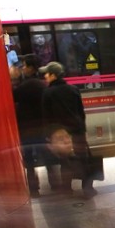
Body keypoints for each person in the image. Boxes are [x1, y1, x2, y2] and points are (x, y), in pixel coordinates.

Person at [40, 61, 97, 198]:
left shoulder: (48, 93)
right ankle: (87, 188)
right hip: (77, 130)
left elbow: (46, 116)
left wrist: (49, 135)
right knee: (83, 158)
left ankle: (67, 188)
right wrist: (83, 129)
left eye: (47, 74)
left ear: (53, 75)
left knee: (65, 161)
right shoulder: (73, 89)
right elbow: (80, 112)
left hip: (60, 133)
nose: (45, 76)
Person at [12, 54, 52, 197]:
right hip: (41, 127)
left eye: (24, 65)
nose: (22, 68)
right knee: (47, 156)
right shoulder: (43, 85)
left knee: (29, 160)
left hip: (27, 128)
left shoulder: (23, 86)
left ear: (30, 68)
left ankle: (34, 189)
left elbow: (13, 97)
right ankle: (54, 183)